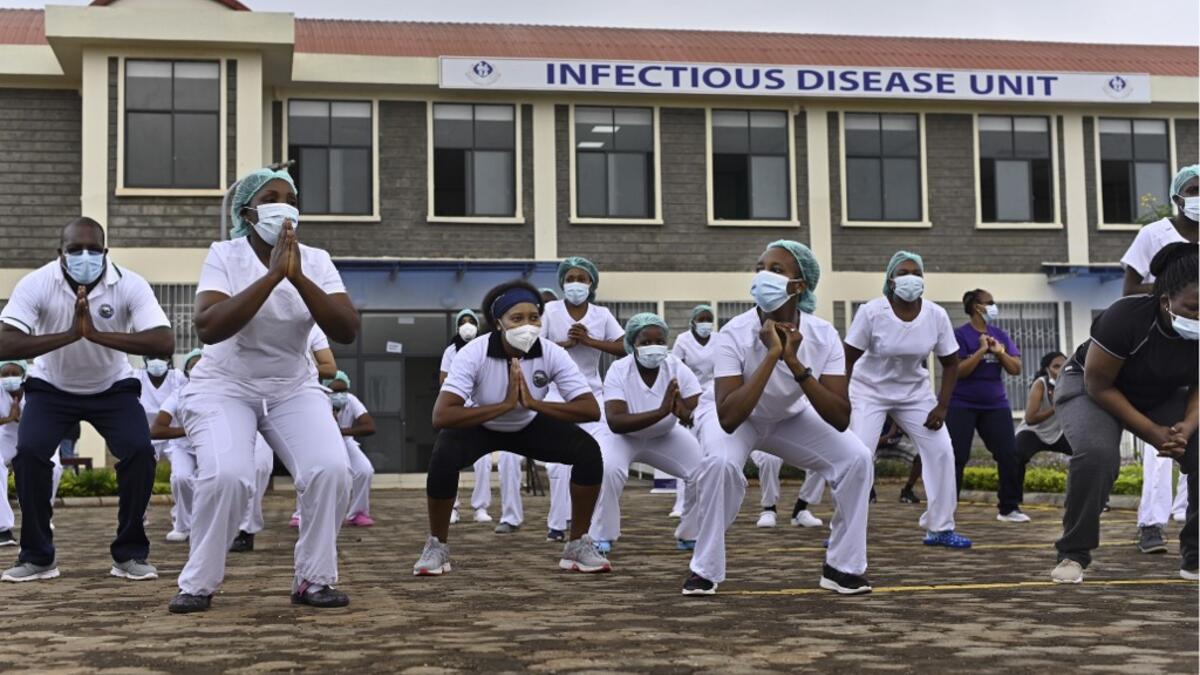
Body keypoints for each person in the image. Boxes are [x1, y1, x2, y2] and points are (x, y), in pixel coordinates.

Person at [167, 168, 359, 613]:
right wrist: (271, 277)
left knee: (331, 469)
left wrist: (297, 276)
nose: (283, 206)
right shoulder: (224, 254)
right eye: (271, 197)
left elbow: (346, 329)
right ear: (247, 211)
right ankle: (198, 583)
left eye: (290, 198)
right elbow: (209, 327)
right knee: (227, 475)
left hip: (292, 385)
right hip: (224, 386)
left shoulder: (316, 259)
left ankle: (313, 580)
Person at [682, 240, 874, 596]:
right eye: (759, 268)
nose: (761, 277)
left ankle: (842, 567)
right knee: (721, 465)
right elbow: (728, 417)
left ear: (798, 286)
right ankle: (703, 569)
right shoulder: (732, 334)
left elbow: (840, 416)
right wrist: (772, 355)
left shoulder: (823, 335)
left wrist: (794, 362)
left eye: (775, 270)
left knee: (856, 458)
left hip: (789, 417)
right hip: (737, 416)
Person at [0, 217, 172, 583]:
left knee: (140, 453)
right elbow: (6, 342)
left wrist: (94, 335)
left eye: (94, 250)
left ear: (106, 252)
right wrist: (69, 335)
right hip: (51, 387)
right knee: (29, 454)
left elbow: (163, 342)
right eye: (75, 250)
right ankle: (38, 556)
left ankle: (129, 554)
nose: (85, 256)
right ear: (60, 253)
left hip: (112, 386)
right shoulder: (37, 283)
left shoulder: (129, 285)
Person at [412, 280, 610, 576]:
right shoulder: (473, 353)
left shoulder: (551, 352)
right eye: (517, 318)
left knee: (588, 452)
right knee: (443, 455)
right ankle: (437, 546)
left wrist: (532, 404)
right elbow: (441, 415)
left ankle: (578, 546)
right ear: (499, 323)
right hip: (483, 423)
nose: (527, 325)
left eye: (534, 318)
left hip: (529, 423)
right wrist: (503, 406)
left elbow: (590, 409)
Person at [1051, 243, 1197, 584]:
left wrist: (1186, 429)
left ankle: (1195, 557)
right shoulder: (1126, 316)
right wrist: (1154, 433)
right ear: (1166, 302)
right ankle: (1073, 554)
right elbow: (1099, 384)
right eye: (1193, 309)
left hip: (1159, 393)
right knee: (1097, 455)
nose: (1199, 316)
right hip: (1090, 387)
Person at [837, 251, 968, 547]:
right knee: (859, 455)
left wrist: (942, 405)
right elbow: (846, 359)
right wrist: (842, 401)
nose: (910, 278)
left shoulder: (936, 315)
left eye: (916, 273)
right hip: (868, 391)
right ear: (891, 280)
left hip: (914, 394)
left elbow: (951, 362)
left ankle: (940, 528)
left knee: (942, 451)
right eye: (903, 272)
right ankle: (844, 529)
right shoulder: (872, 312)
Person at [1121, 165, 1198, 554]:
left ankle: (1188, 518)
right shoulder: (1154, 235)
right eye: (1195, 189)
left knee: (1194, 435)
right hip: (1162, 345)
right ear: (1177, 195)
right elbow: (1130, 288)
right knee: (1162, 440)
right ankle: (1152, 524)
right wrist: (1171, 288)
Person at [589, 313, 703, 554]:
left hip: (665, 436)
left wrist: (683, 411)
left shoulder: (675, 366)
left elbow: (695, 404)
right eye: (646, 342)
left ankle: (690, 534)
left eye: (660, 341)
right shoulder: (619, 370)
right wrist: (663, 411)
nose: (654, 347)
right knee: (609, 470)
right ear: (633, 344)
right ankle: (601, 535)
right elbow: (616, 421)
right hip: (622, 438)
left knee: (701, 471)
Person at [538, 257, 625, 541]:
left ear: (592, 284)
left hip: (591, 394)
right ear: (562, 282)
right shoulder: (550, 310)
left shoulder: (601, 314)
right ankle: (558, 524)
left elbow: (625, 346)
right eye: (570, 278)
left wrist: (589, 341)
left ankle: (596, 528)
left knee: (602, 457)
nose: (576, 283)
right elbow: (532, 345)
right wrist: (563, 345)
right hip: (555, 393)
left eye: (582, 278)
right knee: (558, 463)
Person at [440, 309, 523, 532]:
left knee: (483, 461)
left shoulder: (487, 347)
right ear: (457, 327)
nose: (467, 326)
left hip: (482, 410)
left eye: (471, 322)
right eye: (463, 322)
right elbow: (444, 381)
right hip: (460, 411)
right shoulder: (451, 351)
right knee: (451, 459)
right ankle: (453, 508)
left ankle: (480, 507)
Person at [945, 288, 1024, 521]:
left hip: (995, 404)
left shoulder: (1000, 334)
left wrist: (999, 353)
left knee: (1009, 454)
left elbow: (1016, 368)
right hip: (962, 404)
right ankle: (947, 510)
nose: (993, 306)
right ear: (976, 307)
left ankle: (1009, 508)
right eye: (989, 302)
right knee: (957, 457)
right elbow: (958, 371)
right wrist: (980, 350)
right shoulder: (960, 335)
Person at [288, 371, 376, 528]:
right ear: (326, 390)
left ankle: (358, 513)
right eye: (335, 391)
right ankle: (300, 514)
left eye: (343, 391)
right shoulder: (317, 401)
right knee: (308, 474)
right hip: (319, 442)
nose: (339, 395)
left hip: (345, 441)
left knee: (364, 470)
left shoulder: (351, 400)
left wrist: (341, 431)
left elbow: (369, 426)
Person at [0, 360, 65, 548]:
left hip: (38, 434)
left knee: (54, 468)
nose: (9, 378)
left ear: (23, 373)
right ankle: (3, 529)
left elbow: (52, 418)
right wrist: (9, 418)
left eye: (14, 373)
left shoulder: (37, 388)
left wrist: (24, 419)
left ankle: (42, 516)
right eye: (4, 374)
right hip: (7, 436)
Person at [1010, 352, 1074, 518]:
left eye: (1064, 365)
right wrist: (1055, 407)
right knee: (1015, 455)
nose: (1060, 370)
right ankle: (1012, 504)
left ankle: (1093, 501)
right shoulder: (1041, 384)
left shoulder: (1072, 382)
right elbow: (1030, 419)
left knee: (1086, 452)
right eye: (1056, 366)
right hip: (1034, 431)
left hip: (1058, 432)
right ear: (1047, 369)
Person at [670, 304, 717, 517]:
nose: (706, 323)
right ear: (693, 321)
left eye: (709, 319)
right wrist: (682, 407)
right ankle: (681, 504)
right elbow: (675, 373)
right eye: (702, 319)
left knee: (709, 453)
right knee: (687, 453)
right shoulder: (683, 340)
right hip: (689, 398)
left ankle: (707, 501)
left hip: (713, 400)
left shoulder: (719, 340)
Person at [151, 349, 203, 543]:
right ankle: (182, 526)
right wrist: (190, 431)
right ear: (187, 371)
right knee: (180, 478)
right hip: (183, 447)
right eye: (192, 366)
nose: (197, 370)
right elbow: (156, 429)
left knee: (216, 482)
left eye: (201, 365)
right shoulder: (179, 394)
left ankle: (211, 525)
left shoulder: (221, 392)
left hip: (212, 446)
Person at [135, 353, 188, 461]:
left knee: (181, 471)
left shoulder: (177, 376)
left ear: (168, 359)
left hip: (173, 436)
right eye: (152, 357)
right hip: (144, 436)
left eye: (161, 357)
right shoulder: (136, 376)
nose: (156, 361)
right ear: (145, 359)